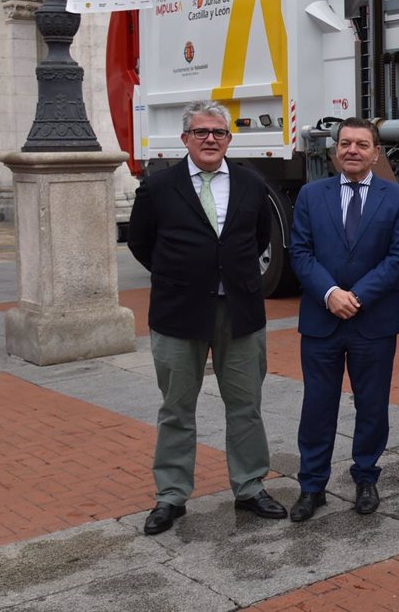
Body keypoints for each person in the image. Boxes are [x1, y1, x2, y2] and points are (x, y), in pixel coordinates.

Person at [128, 100, 287, 535]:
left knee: (245, 405)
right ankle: (171, 496)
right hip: (179, 314)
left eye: (218, 132)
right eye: (201, 132)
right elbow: (142, 243)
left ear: (229, 139)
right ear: (185, 139)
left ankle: (250, 486)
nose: (210, 139)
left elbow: (257, 240)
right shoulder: (159, 187)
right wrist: (183, 275)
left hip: (240, 312)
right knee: (177, 408)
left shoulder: (253, 185)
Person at [287, 119, 399, 522]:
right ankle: (312, 486)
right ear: (333, 152)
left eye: (362, 144)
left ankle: (365, 477)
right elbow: (301, 253)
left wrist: (356, 296)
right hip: (321, 321)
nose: (352, 150)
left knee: (372, 406)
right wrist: (330, 294)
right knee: (317, 406)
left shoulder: (397, 198)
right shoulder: (311, 195)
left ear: (376, 153)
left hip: (373, 321)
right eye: (345, 144)